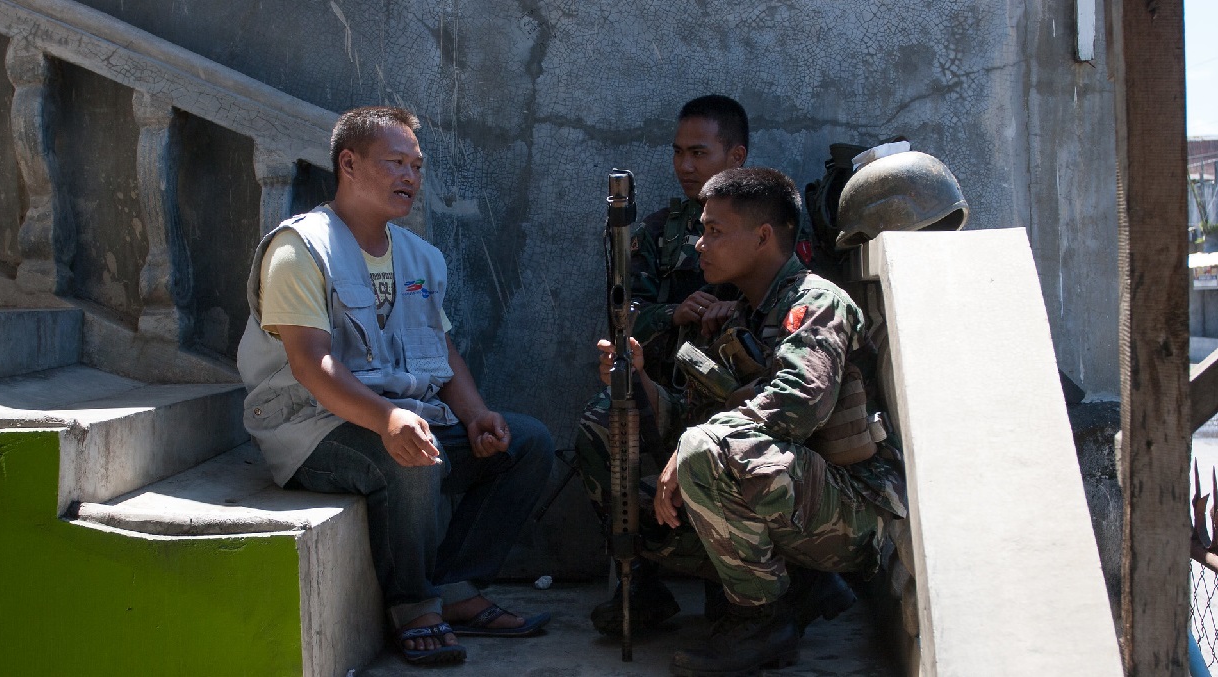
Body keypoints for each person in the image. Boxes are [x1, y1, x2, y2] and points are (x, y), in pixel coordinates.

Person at [236, 106, 554, 667]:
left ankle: (456, 589)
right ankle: (414, 607)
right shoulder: (300, 249)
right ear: (350, 164)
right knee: (409, 456)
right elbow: (311, 366)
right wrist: (386, 420)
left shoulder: (417, 257)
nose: (410, 176)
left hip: (406, 415)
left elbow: (442, 348)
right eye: (395, 163)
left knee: (526, 443)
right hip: (312, 428)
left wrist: (476, 413)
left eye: (416, 165)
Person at [599, 168, 908, 676]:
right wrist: (639, 383)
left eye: (715, 231)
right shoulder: (742, 313)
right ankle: (800, 588)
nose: (700, 244)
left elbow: (797, 403)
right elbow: (695, 419)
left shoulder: (815, 303)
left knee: (704, 448)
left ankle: (761, 620)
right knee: (626, 469)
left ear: (763, 236)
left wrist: (694, 446)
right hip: (792, 495)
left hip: (852, 508)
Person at [573, 94, 749, 635]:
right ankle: (640, 582)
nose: (685, 166)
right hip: (667, 390)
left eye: (699, 152)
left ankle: (744, 599)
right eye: (678, 152)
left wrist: (732, 314)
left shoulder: (769, 220)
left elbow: (793, 301)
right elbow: (624, 316)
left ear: (735, 156)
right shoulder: (656, 231)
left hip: (744, 397)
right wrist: (675, 315)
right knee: (602, 423)